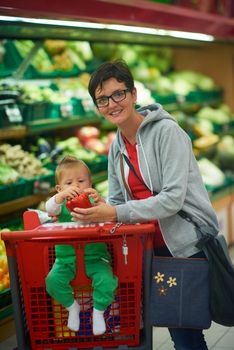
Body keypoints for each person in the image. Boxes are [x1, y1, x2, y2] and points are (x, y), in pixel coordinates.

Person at [70, 60, 220, 349]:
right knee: (174, 327)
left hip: (185, 245)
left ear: (134, 94)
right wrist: (97, 206)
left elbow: (173, 199)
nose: (112, 104)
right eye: (102, 99)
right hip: (150, 247)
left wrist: (114, 211)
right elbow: (116, 199)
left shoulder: (167, 133)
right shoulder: (116, 145)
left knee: (185, 333)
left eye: (118, 94)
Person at [45, 155, 118, 335]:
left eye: (81, 181)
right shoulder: (59, 205)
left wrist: (100, 201)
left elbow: (108, 213)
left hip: (95, 258)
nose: (76, 186)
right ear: (59, 188)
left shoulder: (94, 203)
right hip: (65, 260)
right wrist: (59, 198)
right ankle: (72, 308)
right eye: (69, 183)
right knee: (52, 282)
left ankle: (99, 312)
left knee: (107, 281)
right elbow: (49, 208)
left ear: (90, 184)